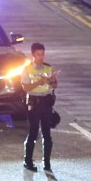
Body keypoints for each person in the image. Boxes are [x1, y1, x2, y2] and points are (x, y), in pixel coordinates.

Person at [21, 42, 58, 172]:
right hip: (34, 103)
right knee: (33, 131)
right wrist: (39, 81)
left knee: (47, 133)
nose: (41, 57)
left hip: (46, 103)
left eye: (42, 54)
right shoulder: (27, 69)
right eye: (38, 54)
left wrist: (53, 80)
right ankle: (28, 161)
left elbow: (54, 86)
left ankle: (47, 162)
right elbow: (25, 87)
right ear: (33, 55)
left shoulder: (48, 68)